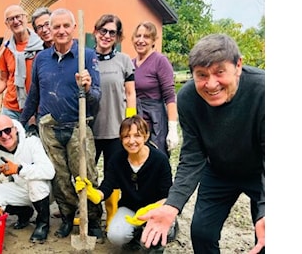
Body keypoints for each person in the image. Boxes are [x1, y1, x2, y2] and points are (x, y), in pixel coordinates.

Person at [138, 34, 265, 254]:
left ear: (238, 65)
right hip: (218, 171)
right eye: (202, 75)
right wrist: (172, 205)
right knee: (201, 233)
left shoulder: (264, 91)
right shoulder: (188, 99)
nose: (211, 84)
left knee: (266, 233)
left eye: (219, 72)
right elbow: (192, 156)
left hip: (261, 171)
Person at [19, 8, 104, 242]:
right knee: (60, 178)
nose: (61, 31)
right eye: (56, 27)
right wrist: (21, 121)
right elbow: (34, 93)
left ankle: (93, 219)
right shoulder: (41, 59)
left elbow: (97, 97)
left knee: (85, 175)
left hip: (78, 126)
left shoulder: (86, 56)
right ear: (50, 30)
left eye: (66, 26)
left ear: (74, 27)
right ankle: (67, 218)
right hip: (49, 127)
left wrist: (87, 88)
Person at [75, 115, 176, 253]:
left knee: (154, 240)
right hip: (130, 208)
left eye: (137, 135)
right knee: (116, 235)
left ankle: (167, 230)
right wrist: (91, 192)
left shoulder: (160, 160)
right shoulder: (117, 159)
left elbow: (168, 196)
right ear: (121, 139)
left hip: (156, 208)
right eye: (127, 136)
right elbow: (107, 187)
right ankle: (135, 236)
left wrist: (149, 210)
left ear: (146, 137)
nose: (132, 141)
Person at [0, 114, 55, 243]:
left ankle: (42, 224)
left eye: (7, 130)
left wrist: (19, 169)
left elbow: (49, 171)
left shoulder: (31, 142)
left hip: (44, 192)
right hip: (21, 190)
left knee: (35, 182)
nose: (4, 135)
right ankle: (24, 213)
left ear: (15, 129)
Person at [91, 14, 137, 231]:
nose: (106, 36)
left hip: (115, 129)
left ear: (118, 37)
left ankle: (112, 213)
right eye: (103, 30)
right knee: (88, 173)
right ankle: (90, 214)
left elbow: (130, 91)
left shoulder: (124, 61)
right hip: (89, 129)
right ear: (95, 32)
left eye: (112, 32)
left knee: (115, 173)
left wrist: (130, 122)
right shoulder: (86, 59)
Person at [0, 5, 44, 122]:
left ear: (26, 18)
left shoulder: (41, 45)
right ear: (6, 24)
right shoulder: (6, 48)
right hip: (10, 110)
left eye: (18, 16)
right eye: (11, 19)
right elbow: (3, 80)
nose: (16, 21)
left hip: (36, 109)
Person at [131, 21, 179, 157]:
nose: (141, 40)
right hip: (137, 121)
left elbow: (170, 96)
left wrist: (173, 129)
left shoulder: (160, 61)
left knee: (156, 159)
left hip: (155, 121)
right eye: (138, 36)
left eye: (146, 37)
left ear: (153, 41)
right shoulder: (131, 63)